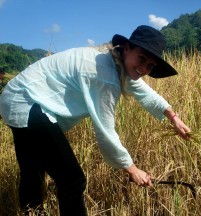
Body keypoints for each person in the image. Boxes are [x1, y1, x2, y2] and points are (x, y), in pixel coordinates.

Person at [0, 25, 191, 215]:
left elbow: (145, 92)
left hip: (16, 97)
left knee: (33, 168)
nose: (143, 68)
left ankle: (31, 212)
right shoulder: (104, 75)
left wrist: (173, 117)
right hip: (26, 102)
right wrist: (132, 169)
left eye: (150, 65)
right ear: (126, 48)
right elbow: (105, 131)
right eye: (142, 58)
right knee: (73, 181)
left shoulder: (114, 62)